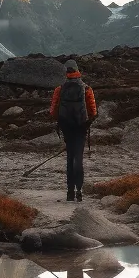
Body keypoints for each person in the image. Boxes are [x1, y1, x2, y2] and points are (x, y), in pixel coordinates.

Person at [49, 59, 97, 202]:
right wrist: (87, 121)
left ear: (67, 73)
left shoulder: (60, 89)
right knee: (78, 158)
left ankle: (70, 191)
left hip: (67, 127)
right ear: (77, 71)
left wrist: (62, 121)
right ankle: (79, 191)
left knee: (70, 158)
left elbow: (53, 111)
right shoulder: (86, 88)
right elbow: (93, 111)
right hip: (81, 127)